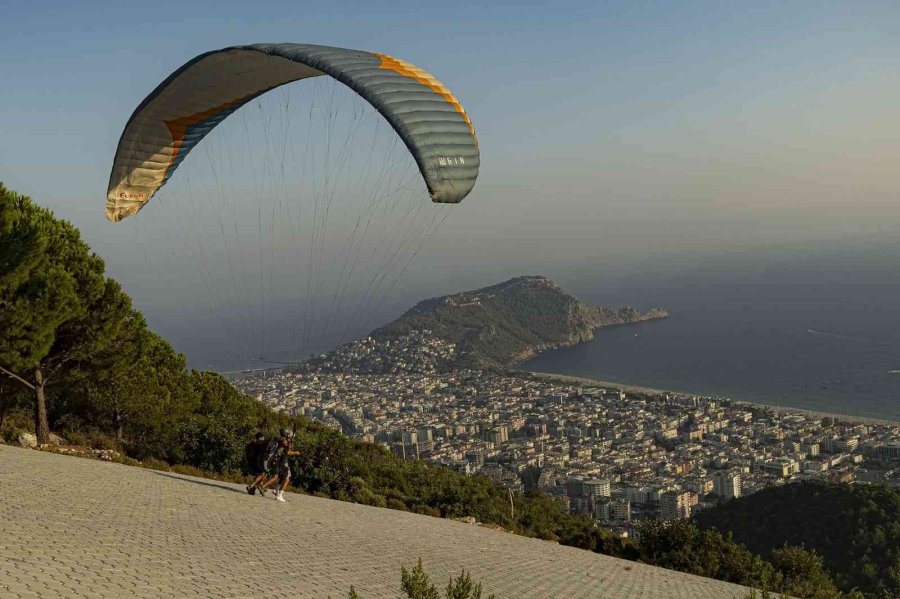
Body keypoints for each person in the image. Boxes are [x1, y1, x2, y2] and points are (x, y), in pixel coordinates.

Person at [261, 430, 300, 502]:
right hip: (282, 463)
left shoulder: (285, 442)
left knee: (279, 477)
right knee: (286, 479)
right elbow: (288, 452)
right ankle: (279, 495)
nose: (292, 439)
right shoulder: (286, 442)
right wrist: (295, 452)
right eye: (292, 437)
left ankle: (275, 489)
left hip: (281, 462)